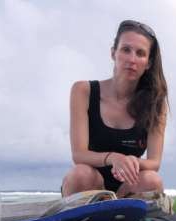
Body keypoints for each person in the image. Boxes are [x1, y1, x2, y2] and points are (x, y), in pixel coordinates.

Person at [62, 20, 168, 197]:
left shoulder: (155, 103)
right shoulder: (83, 91)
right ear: (113, 53)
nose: (132, 59)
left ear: (148, 63)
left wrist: (132, 162)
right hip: (88, 184)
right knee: (81, 174)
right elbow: (79, 155)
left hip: (129, 185)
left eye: (140, 53)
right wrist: (113, 158)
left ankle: (124, 214)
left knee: (152, 180)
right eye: (126, 50)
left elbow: (154, 162)